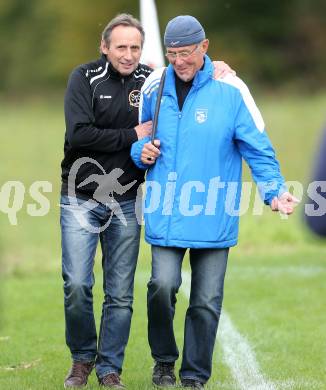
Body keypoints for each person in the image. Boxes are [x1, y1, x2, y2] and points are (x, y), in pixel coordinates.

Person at [60, 13, 234, 388]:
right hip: (81, 197)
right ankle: (81, 359)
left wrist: (217, 67)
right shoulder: (83, 78)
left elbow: (189, 70)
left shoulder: (152, 80)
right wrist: (131, 135)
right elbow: (78, 135)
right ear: (104, 47)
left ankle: (109, 368)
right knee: (77, 284)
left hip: (127, 200)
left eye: (135, 47)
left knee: (120, 294)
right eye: (120, 47)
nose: (128, 54)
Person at [131, 15, 298, 389]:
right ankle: (163, 361)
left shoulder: (232, 90)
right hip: (167, 211)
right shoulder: (153, 87)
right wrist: (141, 150)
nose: (179, 61)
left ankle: (193, 375)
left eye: (186, 53)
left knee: (206, 302)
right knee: (161, 286)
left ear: (204, 48)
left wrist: (274, 190)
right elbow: (139, 138)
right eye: (172, 54)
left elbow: (258, 149)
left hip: (213, 212)